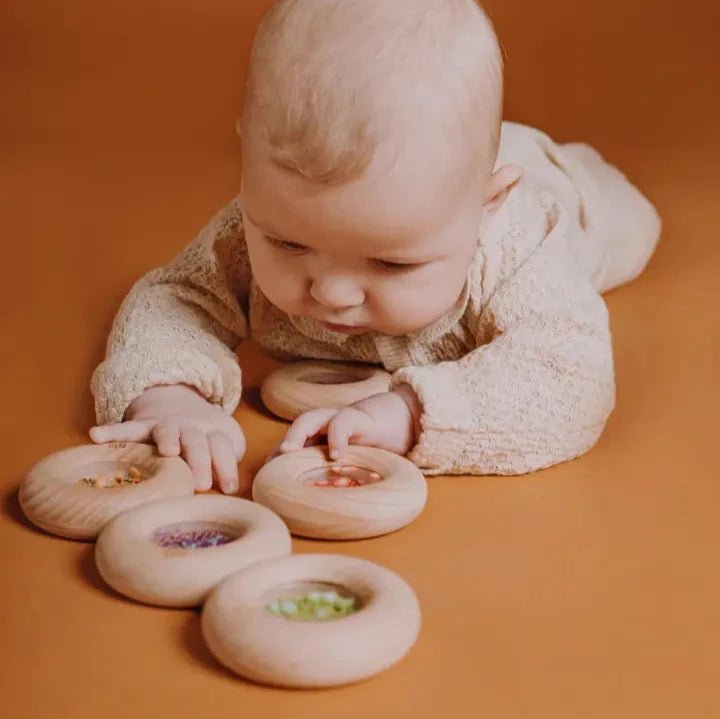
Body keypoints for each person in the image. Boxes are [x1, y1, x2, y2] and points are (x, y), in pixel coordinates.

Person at [89, 0, 661, 494]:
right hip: (434, 180)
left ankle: (572, 168)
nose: (332, 293)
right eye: (289, 244)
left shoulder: (519, 244)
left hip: (554, 187)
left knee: (635, 229)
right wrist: (168, 393)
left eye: (392, 261)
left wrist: (416, 414)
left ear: (484, 209)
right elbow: (175, 297)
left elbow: (569, 378)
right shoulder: (256, 218)